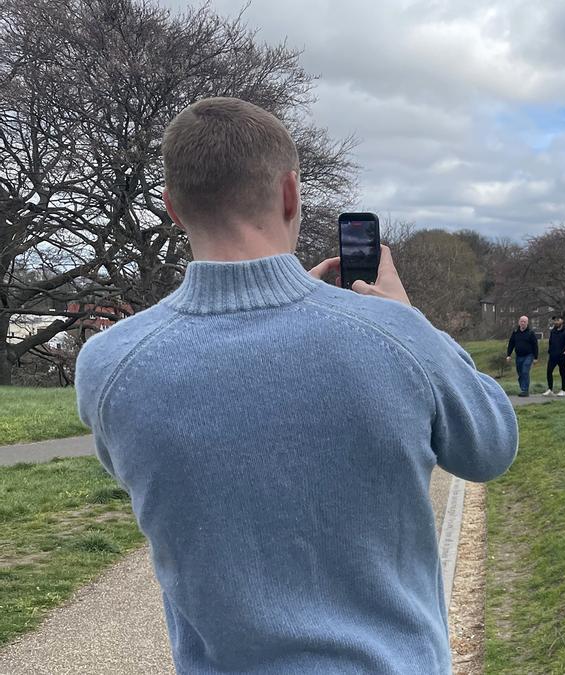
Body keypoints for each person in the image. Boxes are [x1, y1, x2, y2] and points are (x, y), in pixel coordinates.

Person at [73, 98, 518, 674]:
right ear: (290, 193)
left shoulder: (108, 364)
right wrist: (410, 321)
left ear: (173, 209)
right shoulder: (394, 336)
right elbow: (491, 446)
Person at [505, 315, 538, 397]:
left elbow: (535, 345)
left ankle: (525, 390)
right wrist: (508, 355)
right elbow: (511, 344)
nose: (523, 323)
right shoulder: (515, 332)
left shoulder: (530, 333)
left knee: (525, 371)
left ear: (527, 323)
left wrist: (535, 357)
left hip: (528, 355)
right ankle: (522, 388)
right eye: (521, 321)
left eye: (524, 322)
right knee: (520, 373)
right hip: (519, 356)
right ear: (519, 322)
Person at [544, 316, 565, 396]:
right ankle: (550, 389)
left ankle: (563, 390)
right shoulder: (553, 331)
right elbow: (551, 342)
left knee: (562, 372)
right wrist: (550, 351)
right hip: (553, 355)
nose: (556, 322)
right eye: (555, 320)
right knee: (549, 371)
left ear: (562, 321)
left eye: (558, 320)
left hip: (562, 355)